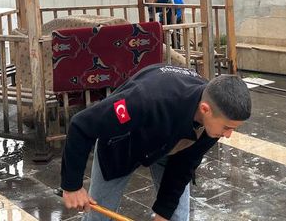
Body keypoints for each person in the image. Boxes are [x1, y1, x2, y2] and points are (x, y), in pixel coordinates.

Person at [60, 64, 252, 221]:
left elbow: (184, 165)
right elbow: (82, 125)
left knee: (176, 217)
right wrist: (72, 186)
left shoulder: (215, 117)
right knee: (98, 216)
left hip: (171, 145)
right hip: (123, 145)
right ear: (205, 109)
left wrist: (163, 213)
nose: (228, 135)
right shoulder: (145, 100)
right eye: (227, 127)